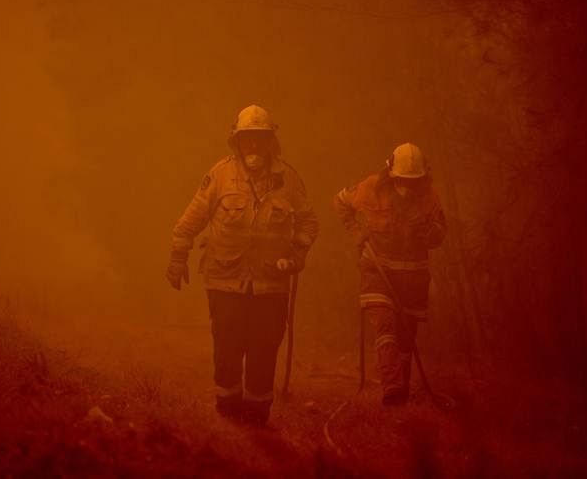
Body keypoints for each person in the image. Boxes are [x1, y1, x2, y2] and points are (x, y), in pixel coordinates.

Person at [166, 104, 318, 425]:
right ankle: (228, 414)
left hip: (271, 285)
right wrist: (178, 257)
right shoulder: (220, 176)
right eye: (246, 138)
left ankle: (256, 419)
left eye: (259, 138)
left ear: (269, 141)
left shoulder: (288, 179)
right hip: (224, 281)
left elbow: (308, 222)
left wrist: (298, 255)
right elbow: (190, 221)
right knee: (227, 348)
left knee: (264, 350)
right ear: (236, 141)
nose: (253, 145)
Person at [333, 142, 446, 406]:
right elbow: (340, 202)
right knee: (385, 327)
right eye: (401, 180)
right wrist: (356, 234)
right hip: (377, 273)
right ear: (391, 174)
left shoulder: (430, 197)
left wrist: (427, 232)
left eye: (413, 181)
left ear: (422, 178)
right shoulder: (371, 188)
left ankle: (402, 390)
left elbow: (440, 233)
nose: (407, 188)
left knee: (406, 340)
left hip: (413, 280)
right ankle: (392, 388)